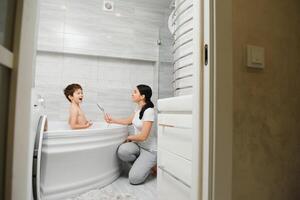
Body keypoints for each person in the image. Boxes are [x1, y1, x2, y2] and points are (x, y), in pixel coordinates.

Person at [104, 84, 156, 185]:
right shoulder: (138, 108)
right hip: (139, 146)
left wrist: (128, 137)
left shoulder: (149, 111)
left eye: (135, 92)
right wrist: (112, 120)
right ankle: (143, 165)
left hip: (150, 150)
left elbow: (143, 136)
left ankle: (149, 166)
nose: (132, 94)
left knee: (134, 179)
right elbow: (128, 121)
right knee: (123, 151)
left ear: (142, 96)